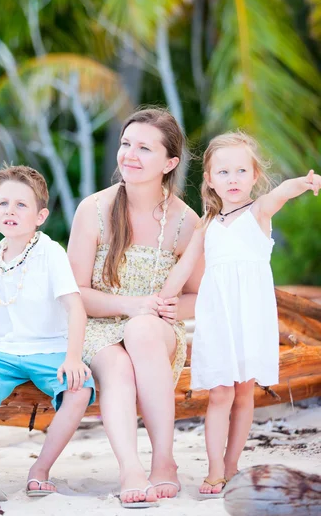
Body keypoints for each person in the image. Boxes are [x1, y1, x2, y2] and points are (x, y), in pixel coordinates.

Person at [160, 131, 321, 496]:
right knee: (219, 393)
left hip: (252, 318)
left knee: (244, 393)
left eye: (240, 171)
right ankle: (215, 468)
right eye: (223, 172)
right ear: (210, 180)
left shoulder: (259, 211)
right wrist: (163, 298)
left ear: (254, 176)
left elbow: (285, 191)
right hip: (219, 320)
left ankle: (233, 464)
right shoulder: (207, 225)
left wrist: (309, 182)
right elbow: (184, 268)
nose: (232, 180)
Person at [67, 107, 204, 508]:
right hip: (97, 326)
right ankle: (130, 468)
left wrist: (158, 311)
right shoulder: (93, 210)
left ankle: (164, 460)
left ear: (170, 162)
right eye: (126, 143)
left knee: (142, 331)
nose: (129, 154)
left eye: (145, 148)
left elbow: (198, 298)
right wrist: (132, 305)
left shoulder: (185, 222)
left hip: (156, 332)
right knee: (116, 365)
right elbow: (75, 293)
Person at [0, 165, 95, 504]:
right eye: (3, 204)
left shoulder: (50, 253)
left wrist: (73, 357)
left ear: (40, 215)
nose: (10, 211)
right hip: (6, 352)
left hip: (50, 349)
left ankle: (40, 471)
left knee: (79, 390)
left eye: (21, 205)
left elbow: (76, 308)